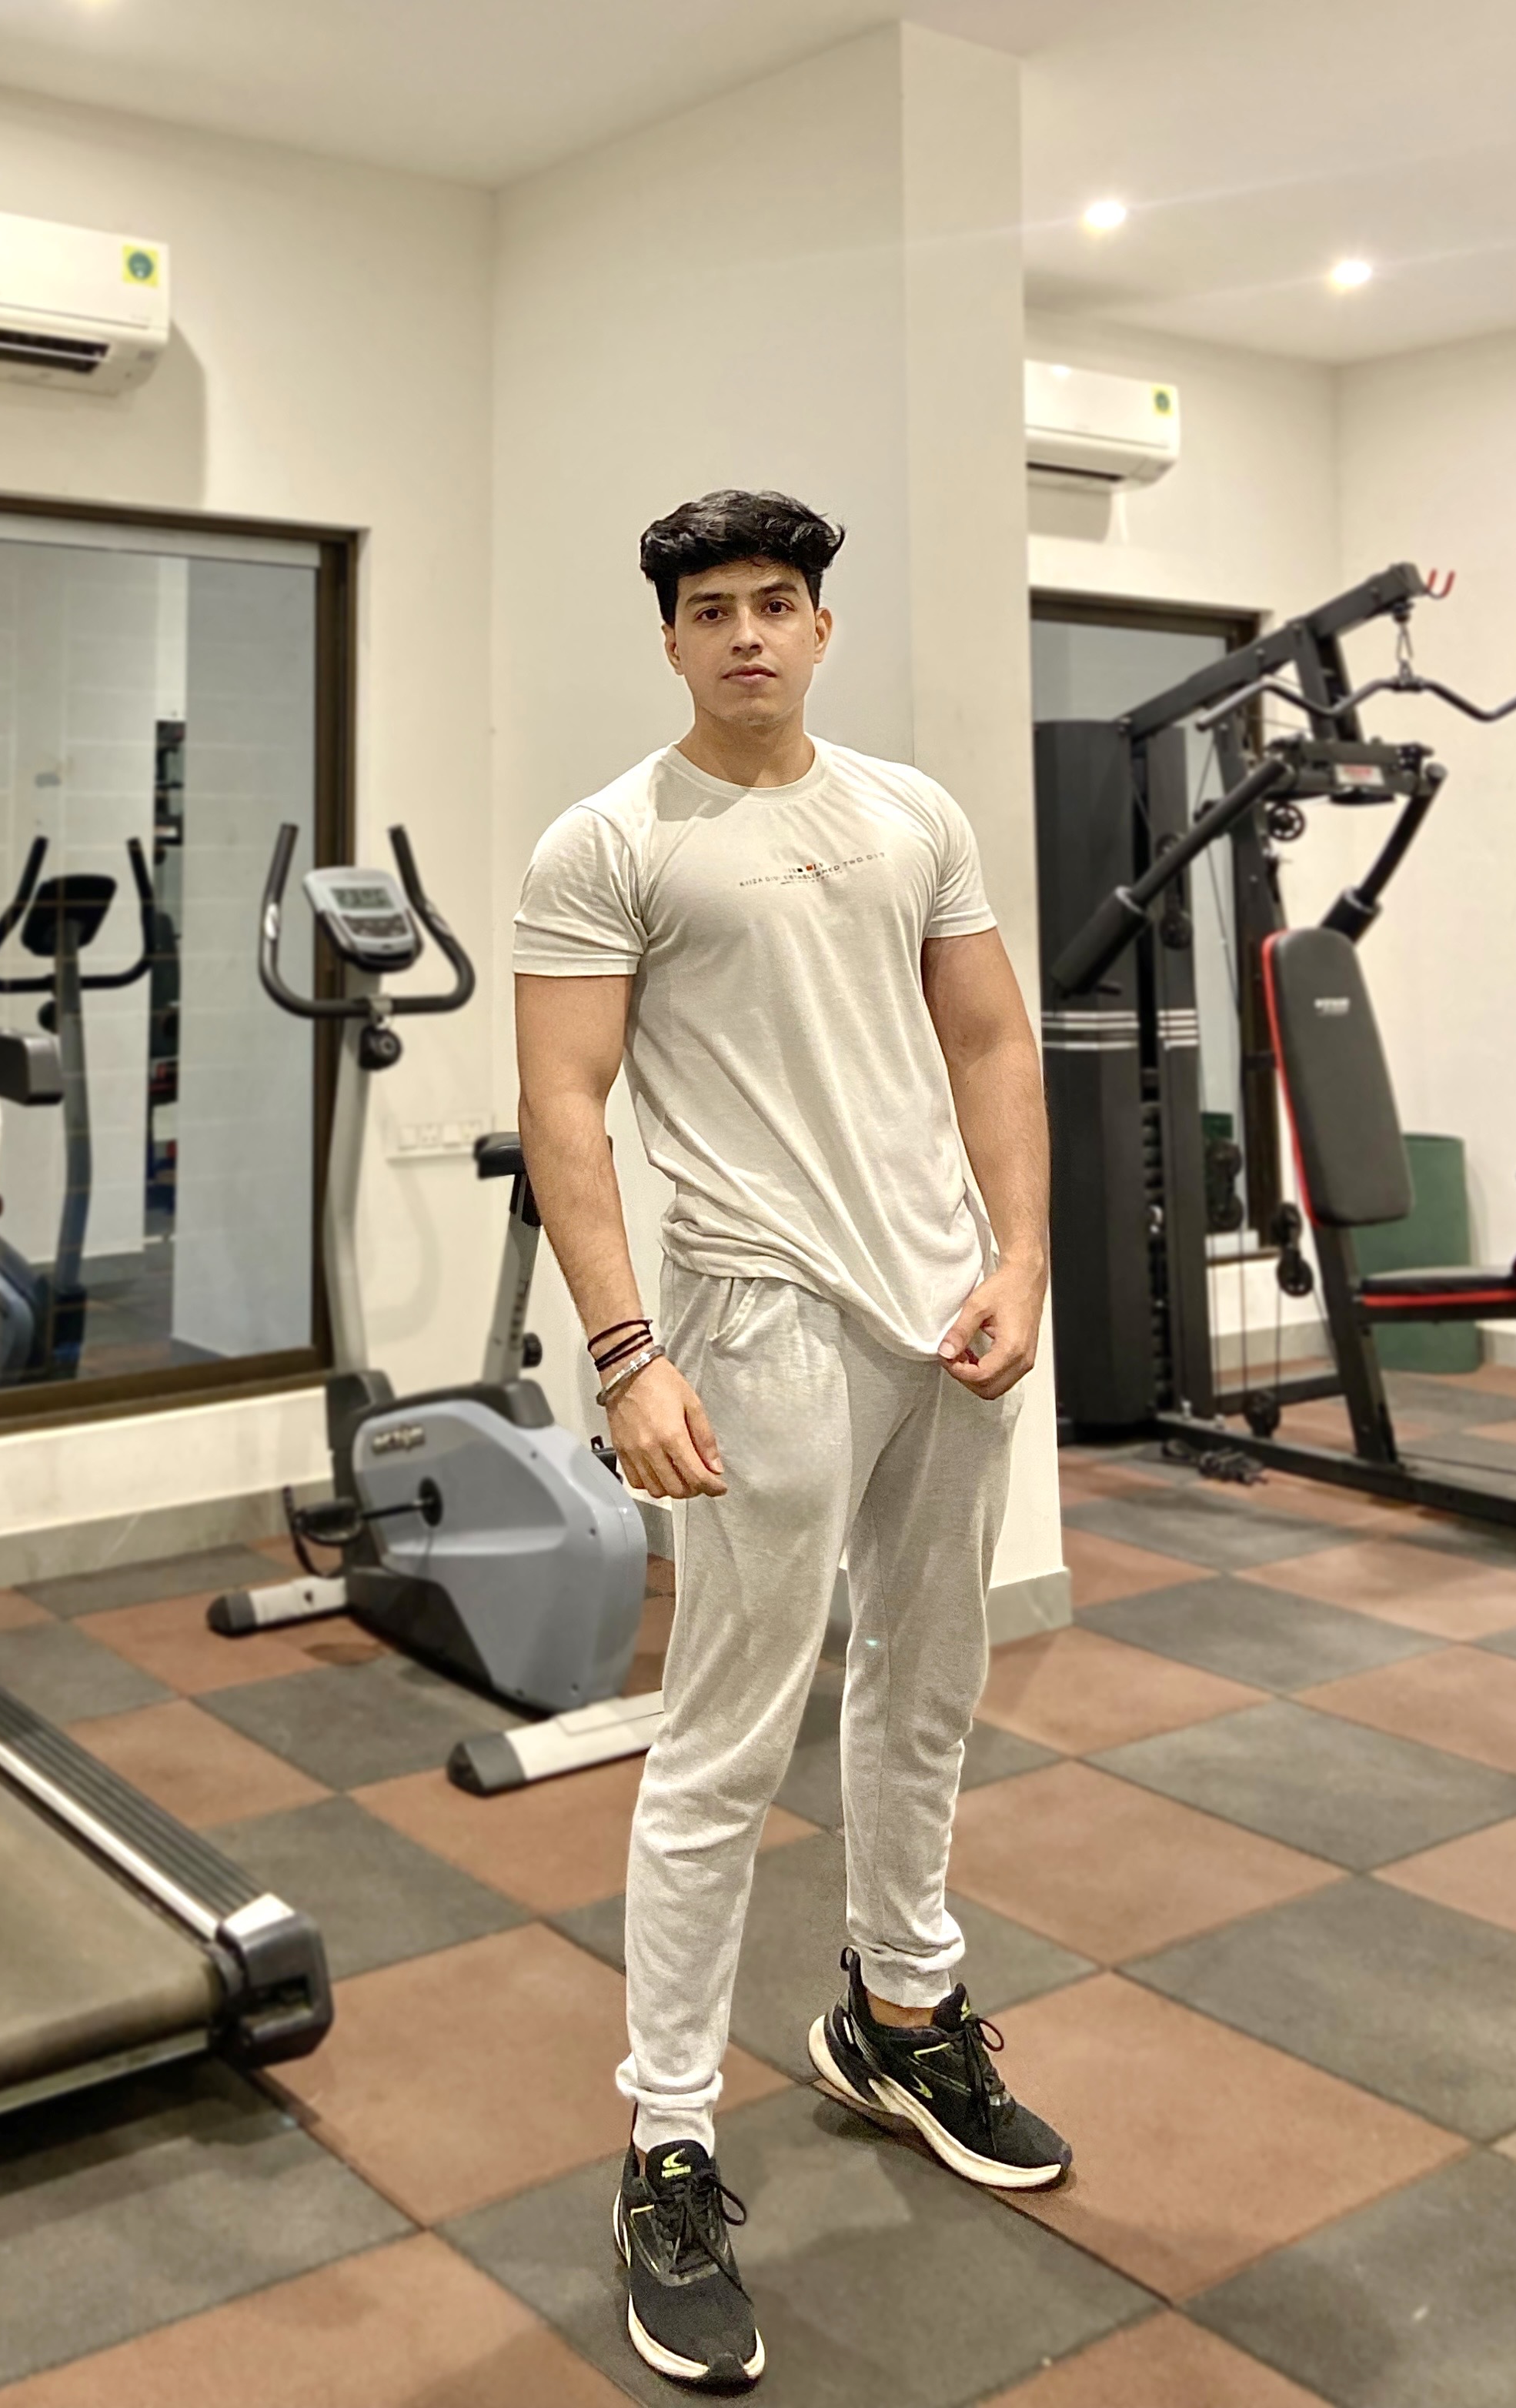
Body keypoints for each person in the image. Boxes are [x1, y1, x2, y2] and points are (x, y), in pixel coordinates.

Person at [513, 489, 1070, 2390]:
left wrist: (1019, 1255)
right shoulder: (610, 838)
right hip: (754, 1312)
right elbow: (566, 1104)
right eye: (709, 608)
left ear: (820, 626)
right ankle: (667, 2140)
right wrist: (624, 1354)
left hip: (944, 1308)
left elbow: (988, 1042)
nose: (745, 631)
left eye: (775, 601)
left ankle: (898, 2014)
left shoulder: (910, 813)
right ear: (669, 640)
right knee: (726, 1735)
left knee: (928, 1678)